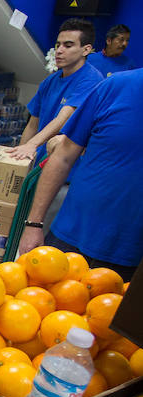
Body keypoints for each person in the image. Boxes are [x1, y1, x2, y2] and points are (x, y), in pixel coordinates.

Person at [18, 69, 142, 283]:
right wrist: (34, 224)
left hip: (131, 257)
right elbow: (63, 156)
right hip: (70, 236)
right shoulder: (114, 87)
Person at [7, 19, 103, 163]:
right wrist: (20, 158)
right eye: (58, 45)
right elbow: (33, 124)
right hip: (40, 160)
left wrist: (32, 144)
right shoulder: (50, 81)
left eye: (68, 45)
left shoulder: (91, 80)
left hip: (67, 166)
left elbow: (63, 118)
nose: (59, 50)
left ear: (86, 49)